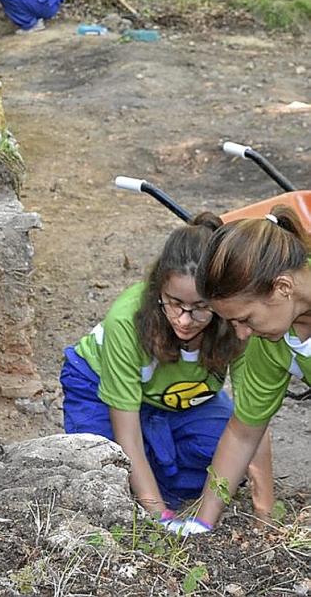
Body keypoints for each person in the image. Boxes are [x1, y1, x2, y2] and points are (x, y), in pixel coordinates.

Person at [60, 213, 274, 522]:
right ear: (158, 288)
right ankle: (150, 470)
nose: (185, 320)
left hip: (182, 399)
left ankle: (154, 460)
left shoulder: (238, 322)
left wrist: (265, 509)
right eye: (174, 303)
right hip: (99, 389)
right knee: (101, 470)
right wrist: (161, 516)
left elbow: (254, 419)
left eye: (201, 308)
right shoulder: (126, 321)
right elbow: (127, 432)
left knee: (226, 457)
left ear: (221, 300)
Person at [167, 206, 311, 535]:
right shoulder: (270, 341)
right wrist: (202, 524)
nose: (241, 335)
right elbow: (243, 432)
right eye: (232, 323)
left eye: (245, 319)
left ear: (282, 288)